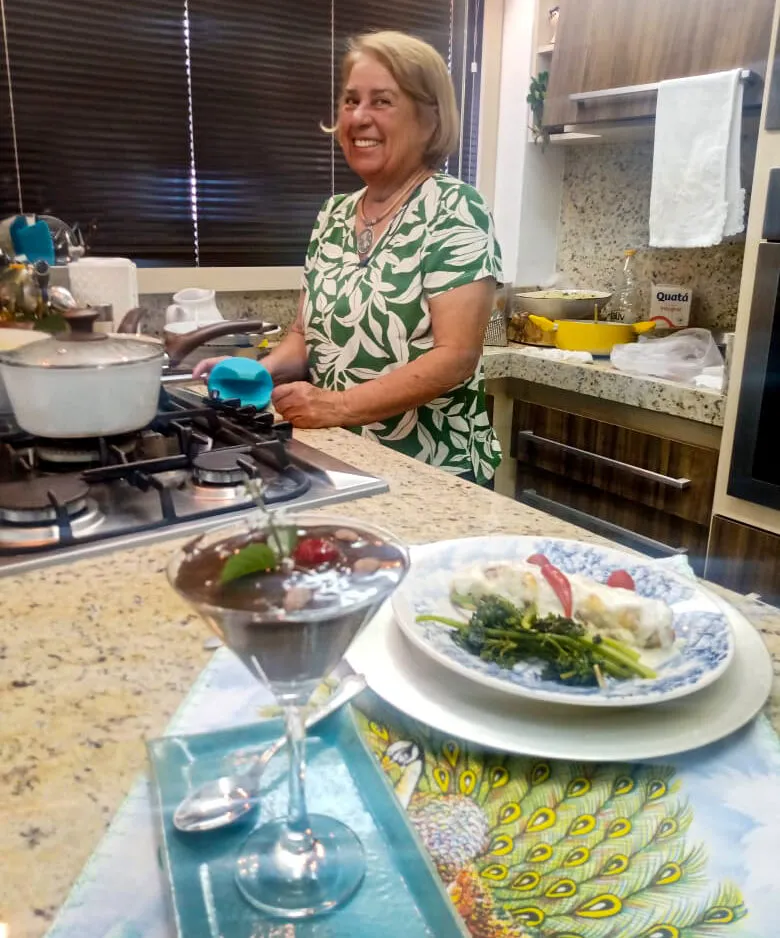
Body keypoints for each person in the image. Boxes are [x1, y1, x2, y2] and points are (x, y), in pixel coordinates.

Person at [194, 30, 503, 484]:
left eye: (382, 101)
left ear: (429, 120)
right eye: (351, 100)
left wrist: (336, 406)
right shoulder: (333, 214)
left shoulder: (456, 208)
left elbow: (455, 356)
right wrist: (256, 375)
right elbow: (306, 335)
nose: (358, 117)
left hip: (435, 471)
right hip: (340, 459)